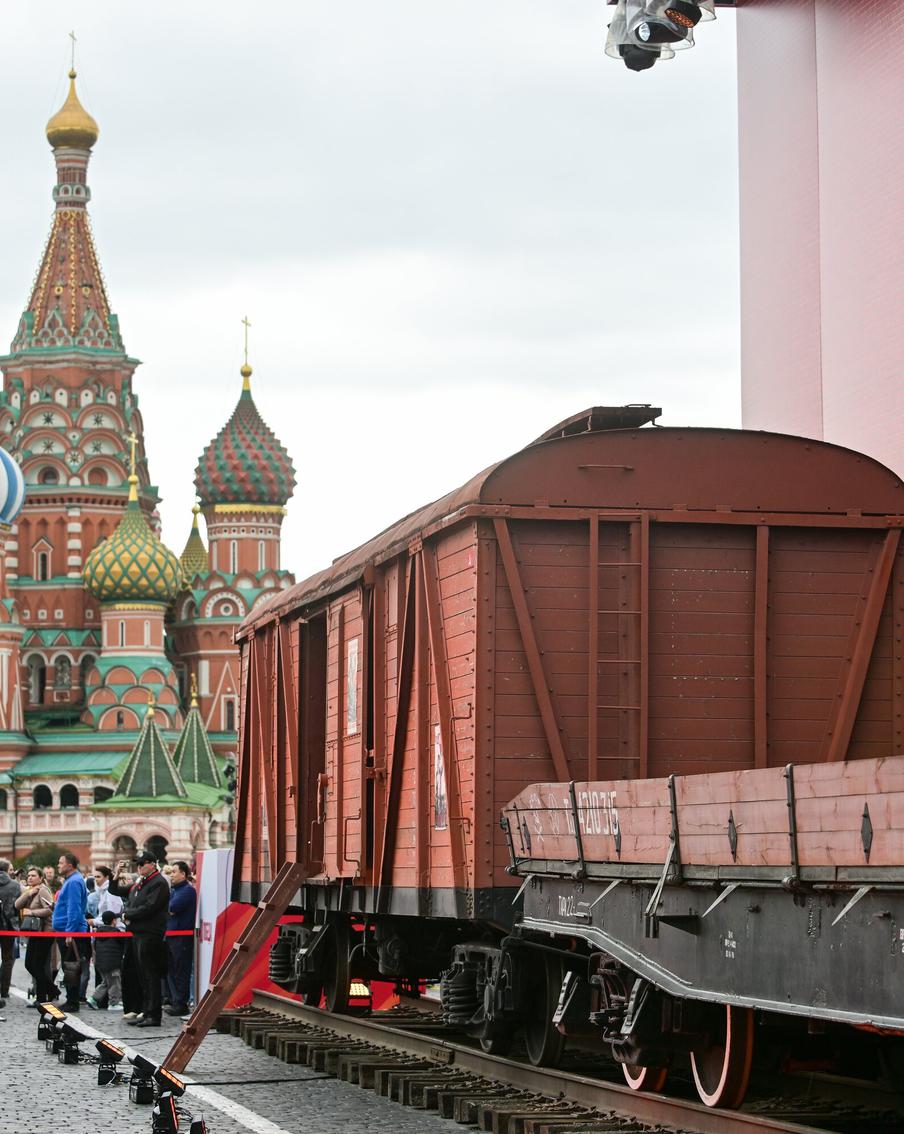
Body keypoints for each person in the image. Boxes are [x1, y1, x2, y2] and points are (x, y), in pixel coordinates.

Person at [123, 851, 169, 1027]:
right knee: (144, 976)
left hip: (151, 933)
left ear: (152, 864)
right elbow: (134, 902)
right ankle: (147, 1010)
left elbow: (149, 907)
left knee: (151, 975)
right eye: (138, 864)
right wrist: (128, 912)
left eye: (142, 864)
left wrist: (129, 914)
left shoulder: (158, 883)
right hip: (140, 933)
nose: (139, 867)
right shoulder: (145, 882)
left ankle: (154, 1015)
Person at [51, 852, 88, 1011]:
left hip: (70, 931)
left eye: (61, 863)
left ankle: (72, 1001)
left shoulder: (73, 882)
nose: (58, 865)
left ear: (70, 865)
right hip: (67, 929)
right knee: (69, 966)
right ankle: (71, 999)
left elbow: (74, 909)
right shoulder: (72, 880)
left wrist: (69, 932)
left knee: (71, 967)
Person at [14, 866, 54, 1002]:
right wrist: (28, 894)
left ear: (41, 878)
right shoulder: (31, 890)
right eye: (29, 875)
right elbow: (17, 905)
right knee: (30, 964)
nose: (30, 877)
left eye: (33, 875)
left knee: (37, 965)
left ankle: (43, 997)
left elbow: (50, 910)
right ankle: (51, 990)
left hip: (45, 932)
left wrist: (32, 912)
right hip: (35, 932)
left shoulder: (43, 890)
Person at [165, 861, 196, 1016]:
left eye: (174, 872)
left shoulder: (187, 891)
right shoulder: (175, 890)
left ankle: (181, 1003)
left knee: (180, 971)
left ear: (183, 874)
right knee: (172, 970)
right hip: (172, 936)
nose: (172, 875)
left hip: (181, 937)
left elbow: (170, 908)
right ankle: (176, 1001)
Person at [90, 906, 125, 1010]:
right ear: (113, 921)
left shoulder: (99, 933)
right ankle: (114, 1003)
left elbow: (95, 946)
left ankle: (93, 999)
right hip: (113, 963)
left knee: (105, 982)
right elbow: (122, 945)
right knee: (115, 983)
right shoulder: (116, 932)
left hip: (101, 963)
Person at [0, 858, 20, 1008]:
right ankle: (4, 990)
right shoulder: (14, 885)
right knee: (7, 959)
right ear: (7, 870)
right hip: (8, 926)